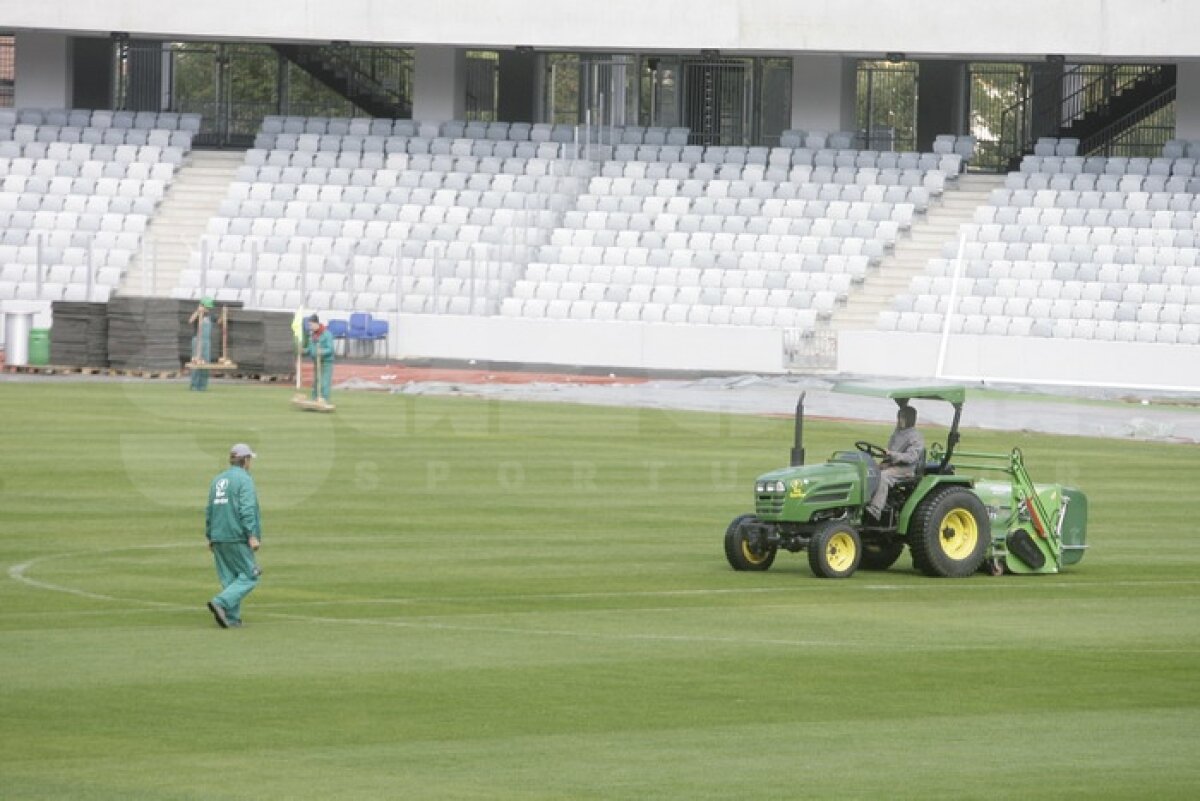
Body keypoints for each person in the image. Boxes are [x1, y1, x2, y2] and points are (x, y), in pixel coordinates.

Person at [204, 443, 262, 628]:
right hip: (236, 535)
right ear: (245, 460)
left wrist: (210, 536)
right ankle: (220, 602)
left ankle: (231, 618)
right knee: (250, 575)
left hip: (218, 535)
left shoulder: (218, 479)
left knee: (230, 579)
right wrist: (251, 534)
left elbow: (210, 509)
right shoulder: (244, 480)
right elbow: (247, 508)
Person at [866, 406, 925, 520]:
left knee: (884, 476)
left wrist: (892, 455)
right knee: (869, 471)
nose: (899, 420)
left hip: (906, 468)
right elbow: (890, 451)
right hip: (893, 464)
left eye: (902, 418)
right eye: (899, 417)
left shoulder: (916, 436)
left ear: (910, 419)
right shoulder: (897, 433)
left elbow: (911, 457)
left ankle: (875, 509)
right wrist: (885, 461)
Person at [303, 313, 335, 402]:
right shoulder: (312, 335)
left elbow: (331, 349)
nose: (310, 327)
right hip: (316, 362)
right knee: (316, 382)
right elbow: (310, 349)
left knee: (324, 383)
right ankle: (314, 399)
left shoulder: (327, 334)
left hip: (326, 363)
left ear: (316, 323)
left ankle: (324, 400)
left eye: (310, 325)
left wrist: (321, 352)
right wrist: (303, 350)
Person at [188, 297, 215, 391]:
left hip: (206, 342)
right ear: (202, 305)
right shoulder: (198, 314)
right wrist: (198, 312)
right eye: (207, 307)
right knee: (196, 362)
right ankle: (195, 385)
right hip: (197, 340)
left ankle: (203, 385)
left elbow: (218, 322)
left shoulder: (210, 316)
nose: (208, 309)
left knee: (205, 363)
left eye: (209, 308)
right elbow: (190, 321)